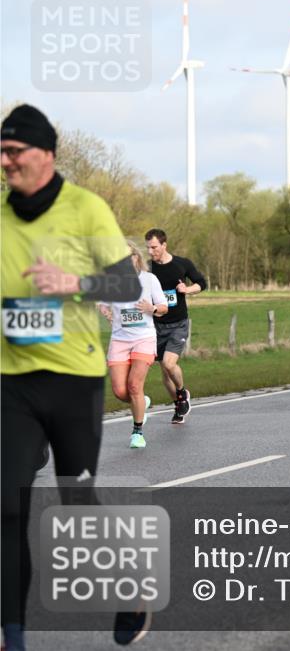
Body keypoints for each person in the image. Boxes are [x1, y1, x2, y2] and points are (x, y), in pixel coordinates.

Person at [1, 104, 145, 649]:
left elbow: (125, 288)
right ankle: (12, 634)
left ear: (46, 155)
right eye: (1, 153)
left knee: (75, 503)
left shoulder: (86, 209)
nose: (6, 162)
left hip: (73, 378)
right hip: (10, 379)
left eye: (15, 152)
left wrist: (71, 283)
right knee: (6, 504)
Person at [98, 242, 168, 448]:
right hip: (119, 339)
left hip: (144, 339)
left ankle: (137, 432)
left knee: (134, 385)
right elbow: (102, 303)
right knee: (120, 391)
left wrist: (151, 307)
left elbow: (163, 307)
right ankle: (141, 402)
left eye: (129, 256)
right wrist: (106, 311)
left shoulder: (149, 280)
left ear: (136, 258)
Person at [145, 228, 207, 424]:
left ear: (164, 245)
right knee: (165, 374)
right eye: (147, 248)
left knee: (169, 364)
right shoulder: (146, 268)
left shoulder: (182, 264)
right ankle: (178, 404)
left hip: (178, 324)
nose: (150, 252)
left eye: (154, 247)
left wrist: (187, 289)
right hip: (155, 326)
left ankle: (182, 394)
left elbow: (201, 283)